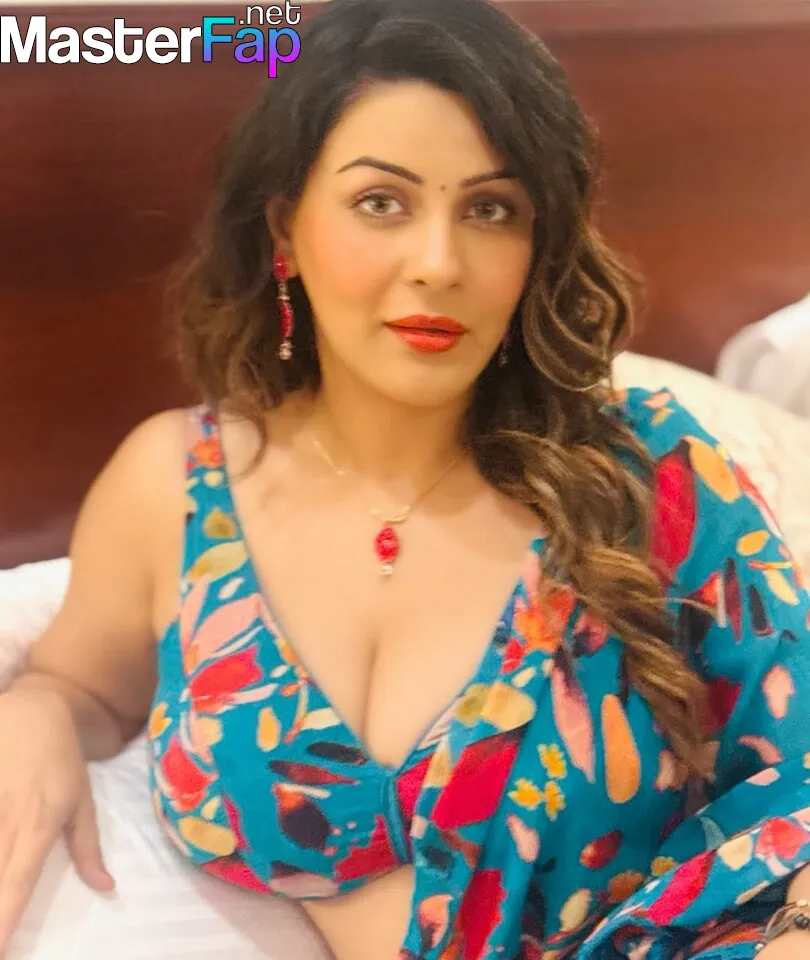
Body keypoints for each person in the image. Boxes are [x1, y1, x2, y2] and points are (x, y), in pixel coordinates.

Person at [1, 0, 808, 957]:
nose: (438, 262)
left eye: (490, 209)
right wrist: (38, 711)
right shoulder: (176, 485)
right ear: (285, 229)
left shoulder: (648, 475)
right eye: (381, 201)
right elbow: (88, 686)